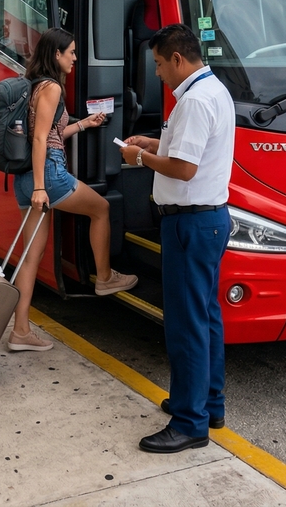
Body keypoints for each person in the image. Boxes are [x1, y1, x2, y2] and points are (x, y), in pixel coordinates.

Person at [121, 24, 235, 454]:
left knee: (186, 325)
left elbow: (184, 169)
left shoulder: (193, 101)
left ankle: (189, 422)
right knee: (205, 317)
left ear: (177, 60)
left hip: (189, 222)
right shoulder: (213, 90)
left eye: (158, 64)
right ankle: (209, 403)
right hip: (209, 219)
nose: (157, 74)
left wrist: (139, 156)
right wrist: (156, 142)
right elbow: (193, 153)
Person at [10, 29, 137, 351]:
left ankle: (20, 331)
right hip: (47, 175)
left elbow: (50, 132)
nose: (75, 58)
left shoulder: (34, 85)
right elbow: (40, 139)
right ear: (56, 54)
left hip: (25, 177)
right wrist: (42, 186)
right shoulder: (51, 87)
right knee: (101, 209)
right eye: (71, 52)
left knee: (29, 258)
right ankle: (106, 277)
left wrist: (83, 125)